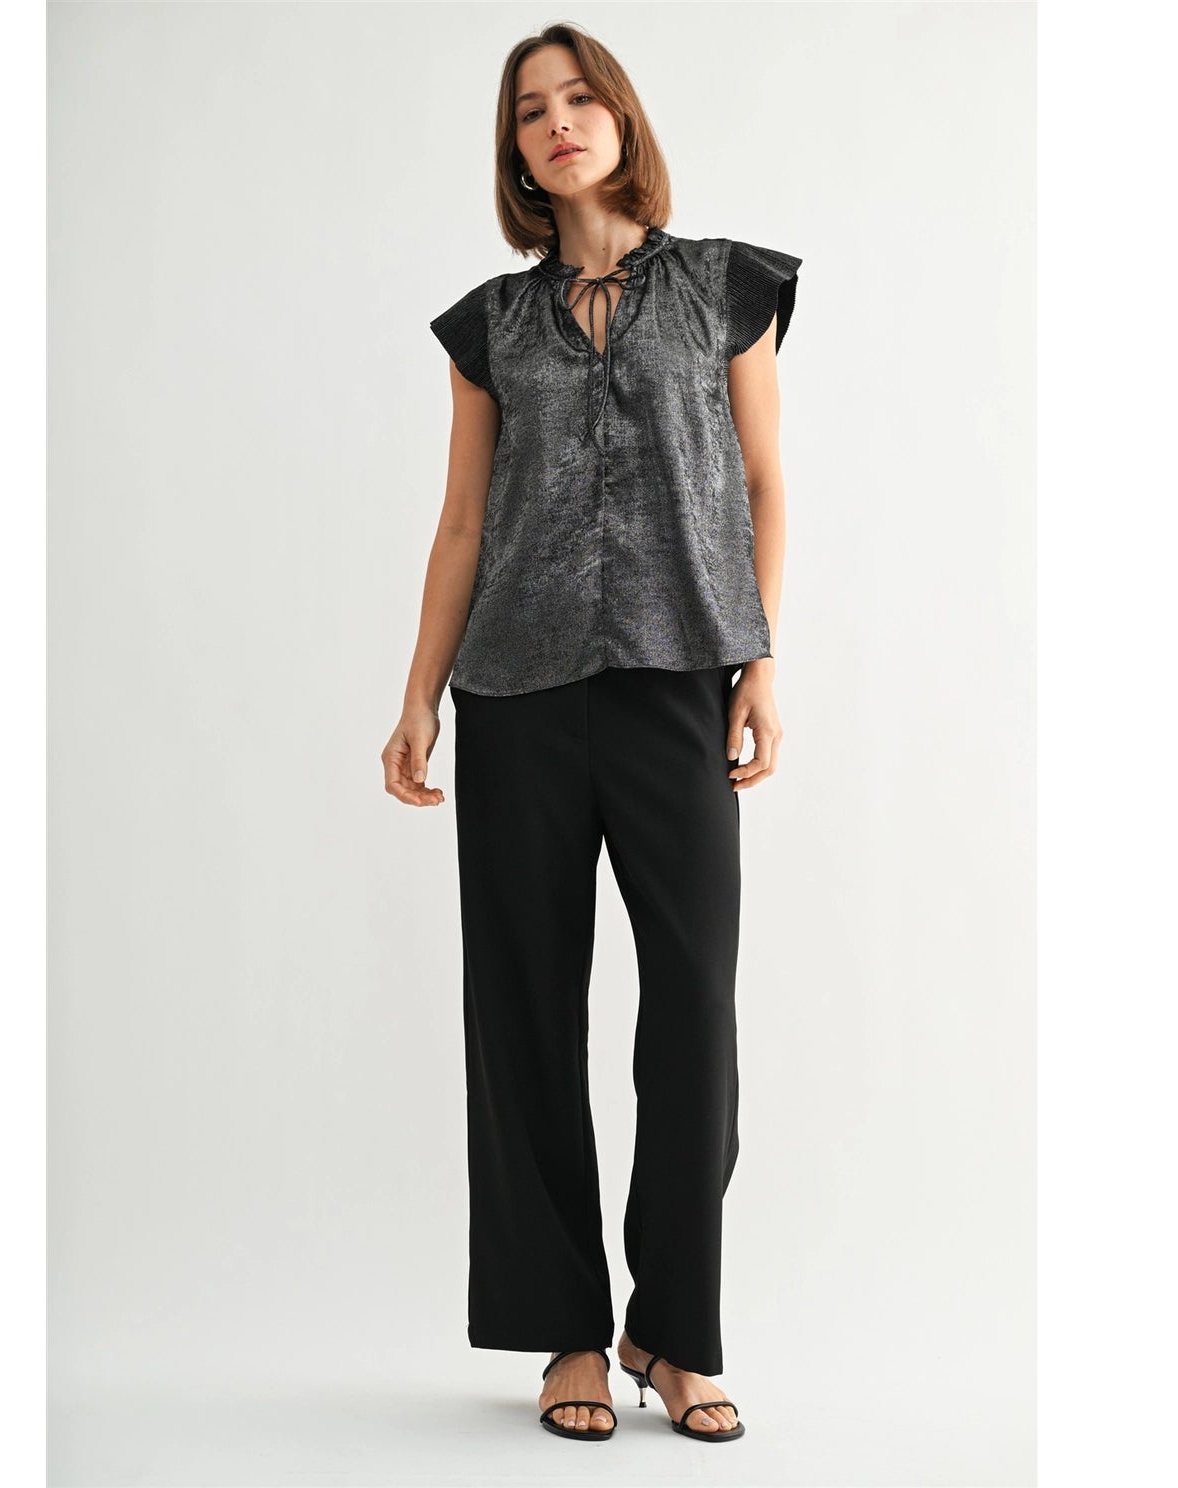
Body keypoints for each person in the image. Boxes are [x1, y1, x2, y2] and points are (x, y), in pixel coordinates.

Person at [380, 21, 803, 1446]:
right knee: (522, 1012)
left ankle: (672, 1332)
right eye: (529, 111)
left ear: (621, 118)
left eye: (578, 98)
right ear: (514, 151)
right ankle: (564, 1328)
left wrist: (758, 661)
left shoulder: (728, 288)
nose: (557, 122)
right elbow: (461, 524)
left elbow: (761, 480)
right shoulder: (490, 327)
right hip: (517, 690)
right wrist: (419, 695)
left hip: (679, 682)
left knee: (693, 1015)